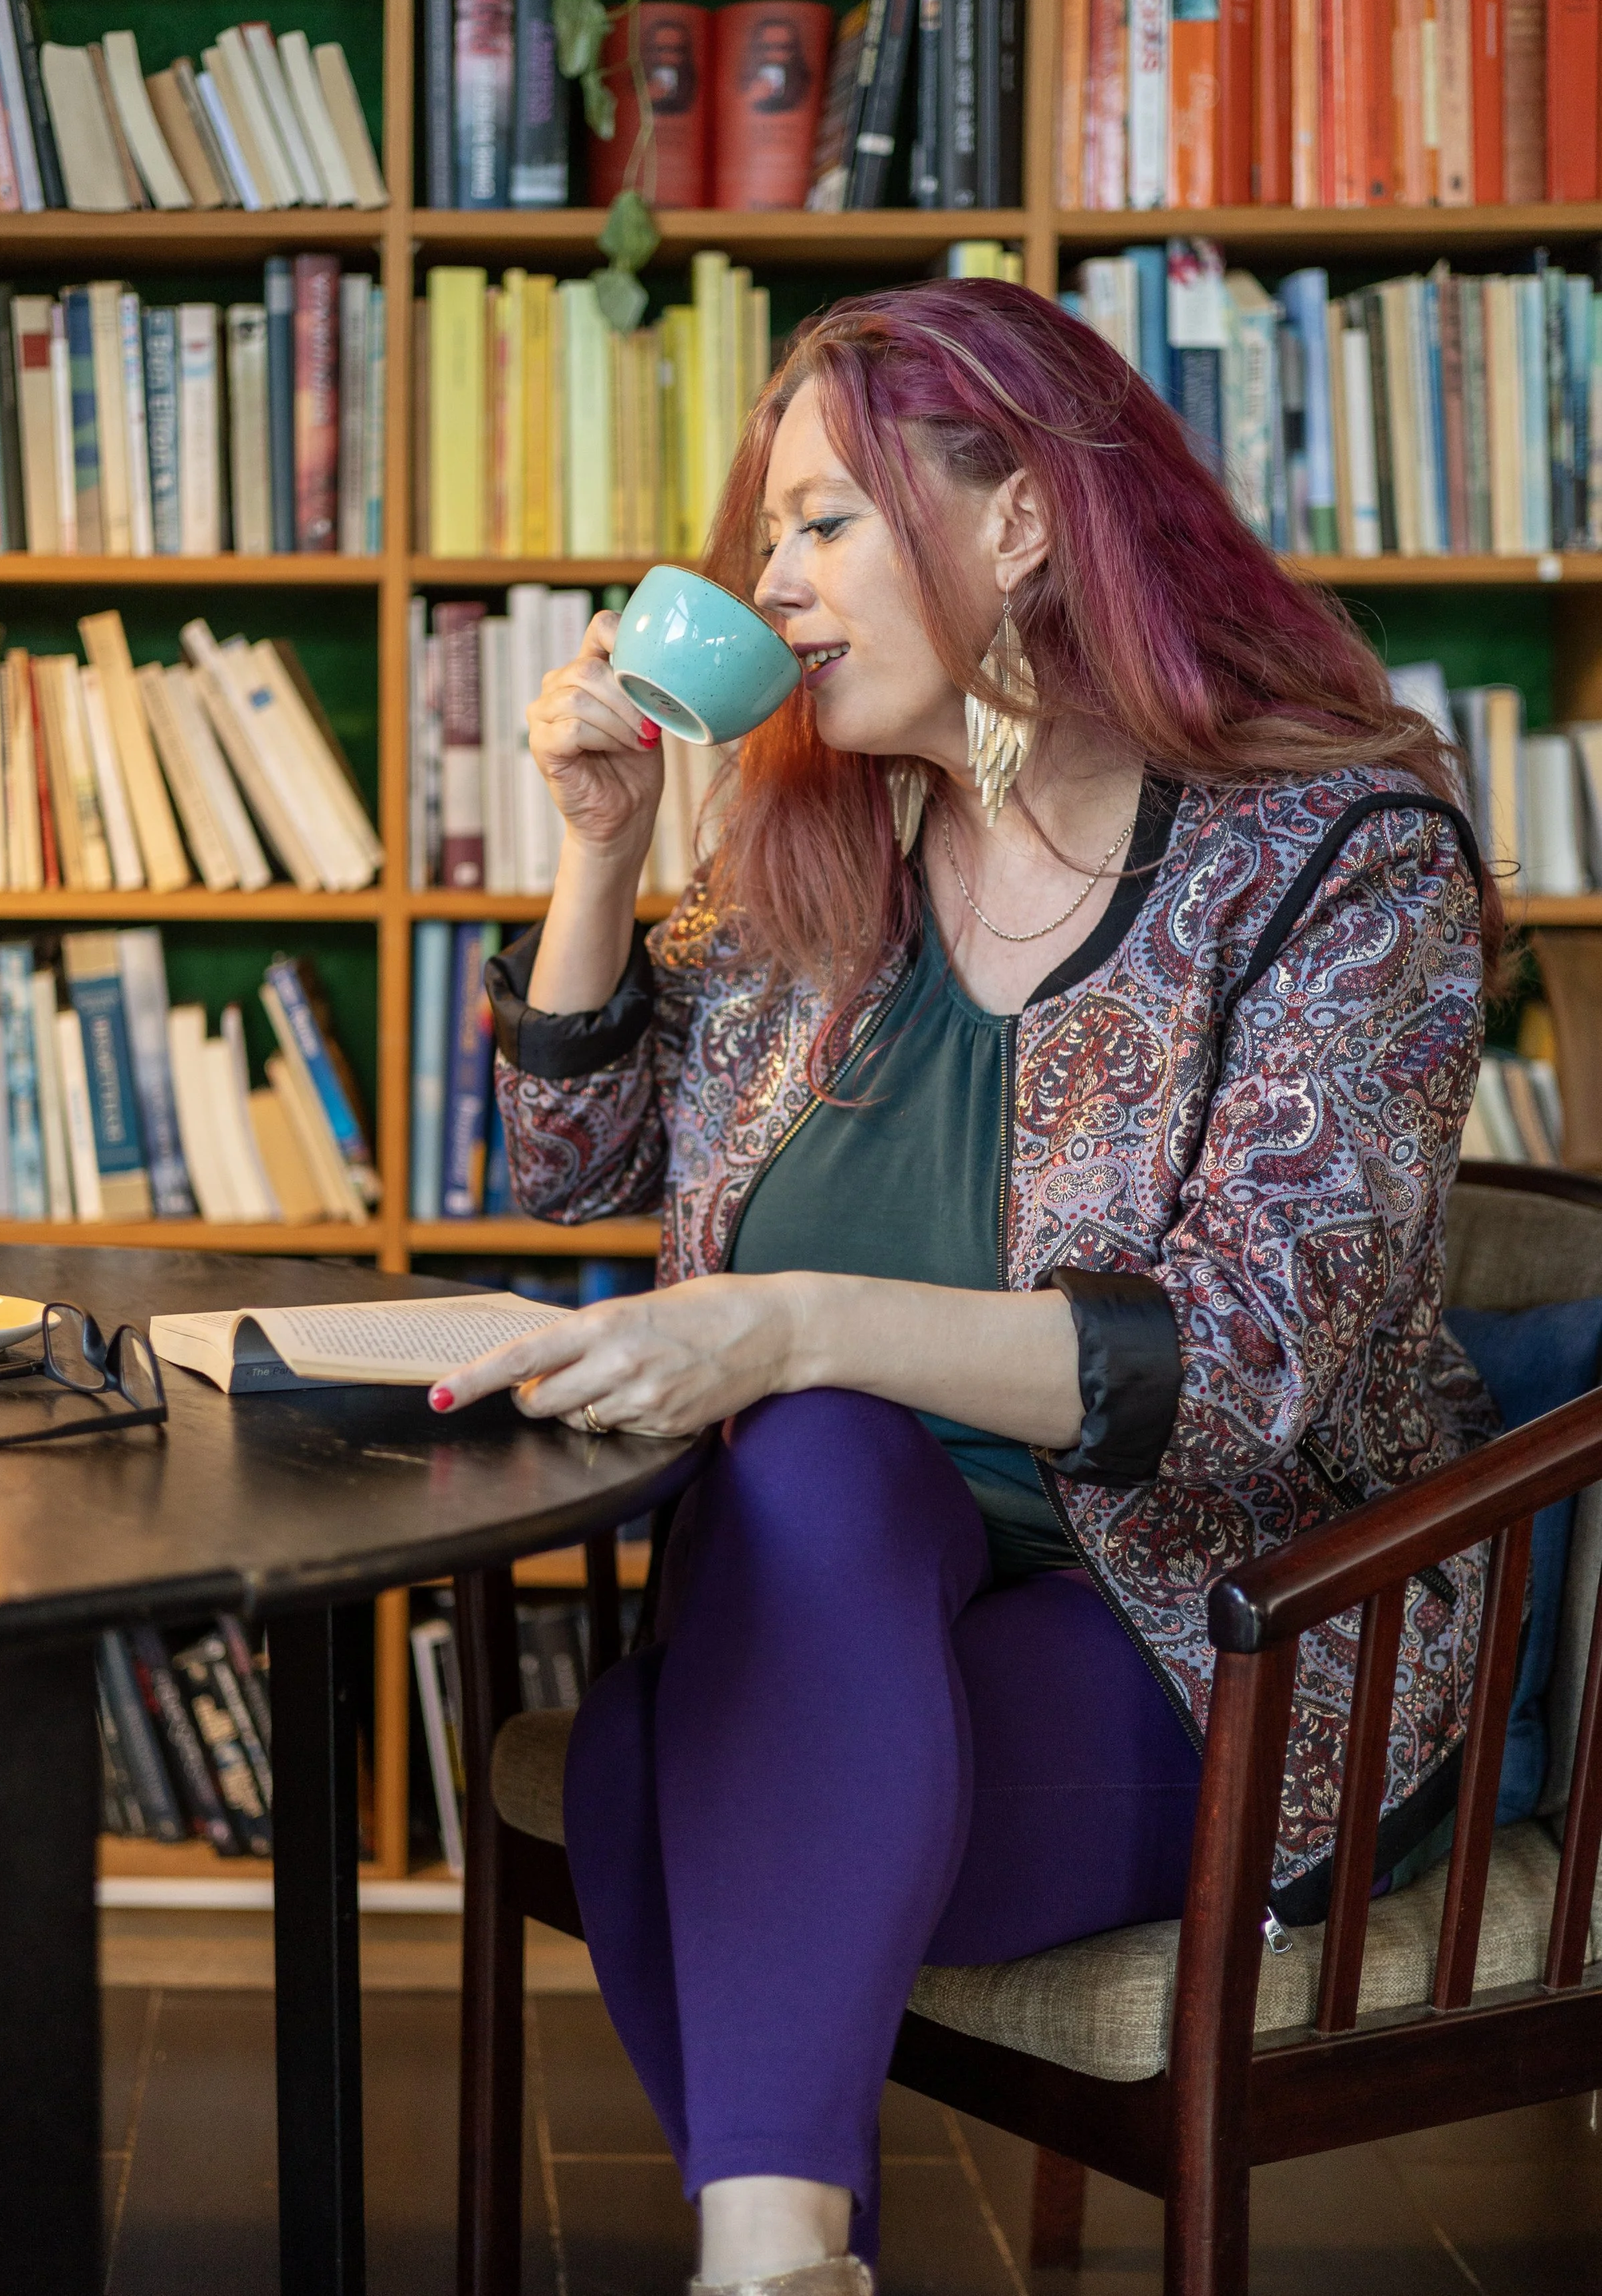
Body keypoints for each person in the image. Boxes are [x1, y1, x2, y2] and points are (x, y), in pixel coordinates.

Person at [429, 281, 1500, 2296]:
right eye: (770, 539)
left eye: (821, 522)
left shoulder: (1338, 846)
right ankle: (776, 2268)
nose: (773, 581)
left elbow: (1249, 1359)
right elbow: (578, 1171)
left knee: (647, 1770)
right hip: (834, 1598)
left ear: (1019, 518)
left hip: (1222, 1635)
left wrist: (787, 1318)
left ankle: (765, 2256)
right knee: (807, 1471)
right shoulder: (824, 856)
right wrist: (594, 853)